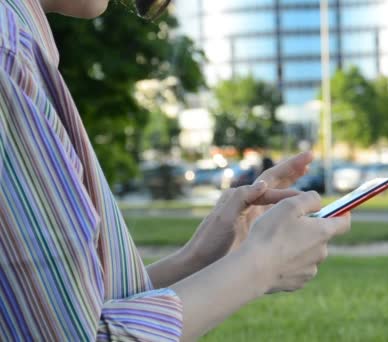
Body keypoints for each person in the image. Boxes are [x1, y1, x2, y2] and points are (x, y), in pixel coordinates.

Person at [0, 0, 350, 340]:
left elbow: (77, 313)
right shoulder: (9, 56)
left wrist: (201, 258)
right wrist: (261, 264)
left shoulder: (19, 49)